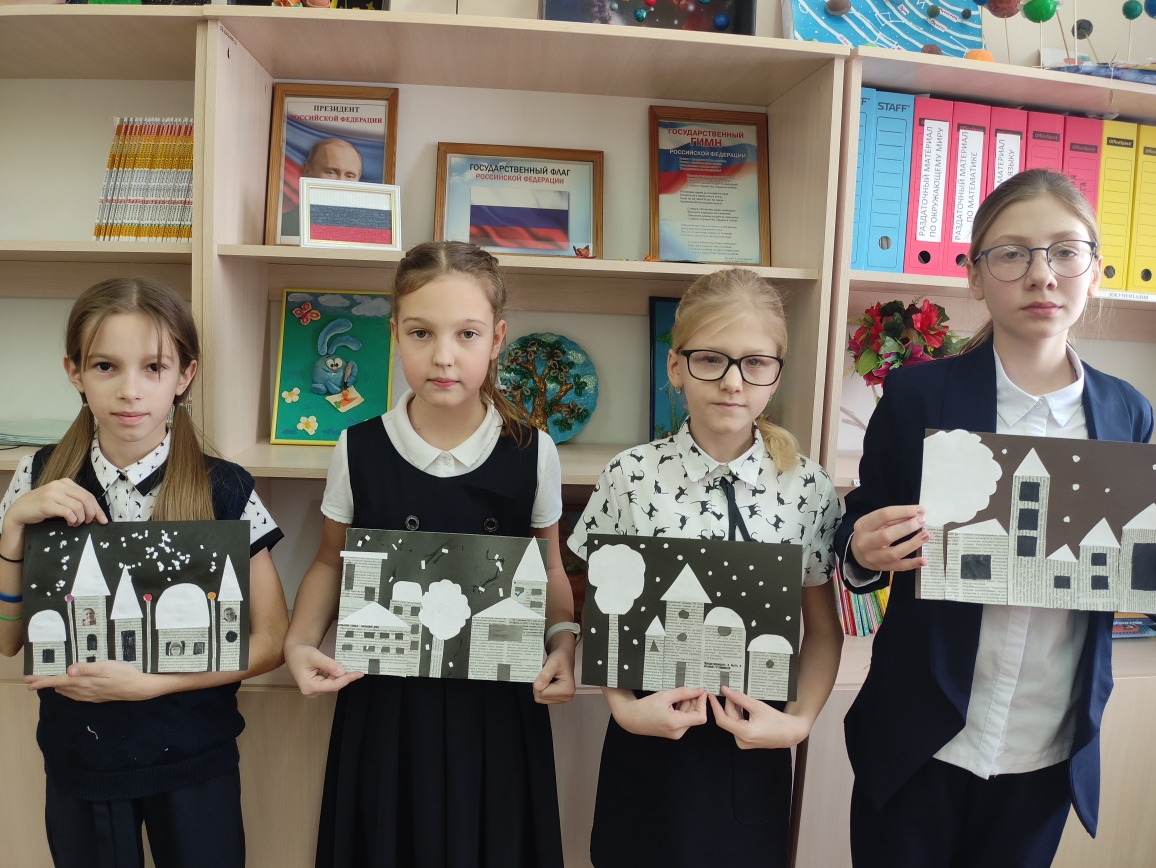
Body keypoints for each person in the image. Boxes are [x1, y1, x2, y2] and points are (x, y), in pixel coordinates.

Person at [837, 169, 1152, 868]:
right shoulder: (918, 397)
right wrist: (861, 548)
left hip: (1048, 747)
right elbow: (856, 526)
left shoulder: (1128, 413)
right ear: (975, 276)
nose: (1042, 274)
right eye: (1012, 254)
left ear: (1094, 270)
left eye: (1065, 251)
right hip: (920, 740)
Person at [284, 241, 576, 868]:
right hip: (386, 704)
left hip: (498, 707)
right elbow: (331, 560)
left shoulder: (533, 451)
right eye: (421, 333)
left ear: (496, 340)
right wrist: (299, 642)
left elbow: (549, 565)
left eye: (466, 334)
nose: (444, 356)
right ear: (395, 335)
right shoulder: (357, 447)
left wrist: (562, 642)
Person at [0, 277, 289, 868]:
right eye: (105, 366)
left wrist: (152, 683)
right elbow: (7, 642)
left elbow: (271, 640)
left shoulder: (225, 487)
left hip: (194, 757)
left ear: (184, 376)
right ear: (75, 372)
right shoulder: (38, 475)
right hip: (82, 761)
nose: (130, 390)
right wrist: (12, 533)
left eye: (153, 367)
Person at [567, 268, 845, 868]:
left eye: (755, 363)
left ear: (776, 374)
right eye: (711, 359)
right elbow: (602, 611)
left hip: (752, 746)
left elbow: (824, 630)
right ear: (676, 367)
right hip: (648, 738)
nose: (732, 381)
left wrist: (798, 724)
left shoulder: (807, 489)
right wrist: (623, 706)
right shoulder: (630, 476)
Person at [281, 137, 364, 238]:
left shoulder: (368, 232)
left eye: (350, 176)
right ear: (307, 171)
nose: (341, 184)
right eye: (331, 172)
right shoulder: (282, 227)